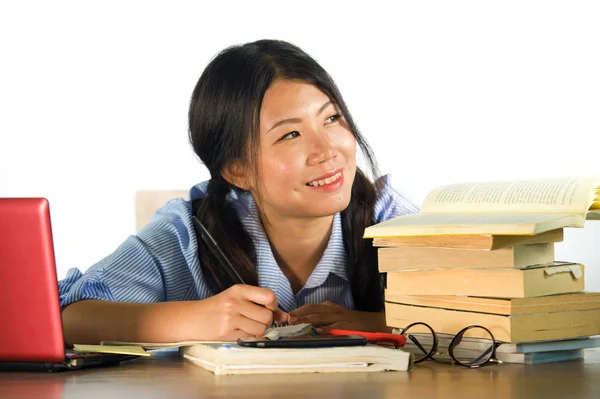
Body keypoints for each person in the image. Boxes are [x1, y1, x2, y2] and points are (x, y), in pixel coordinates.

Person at [59, 39, 418, 345]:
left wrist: (375, 324)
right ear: (237, 170)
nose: (328, 150)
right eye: (290, 134)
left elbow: (474, 316)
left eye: (331, 118)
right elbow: (65, 317)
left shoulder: (390, 219)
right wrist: (194, 320)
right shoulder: (188, 234)